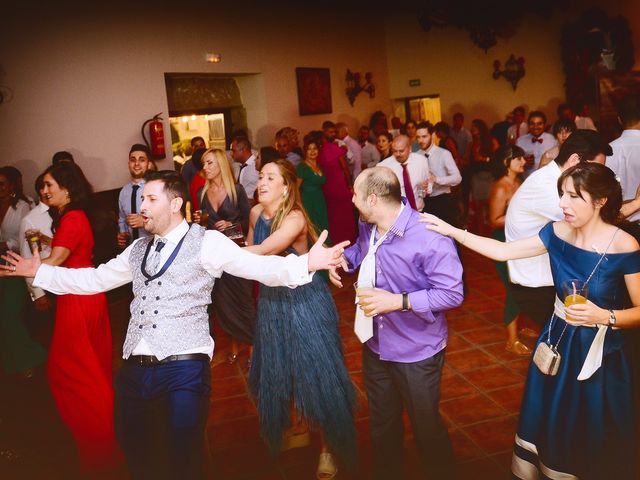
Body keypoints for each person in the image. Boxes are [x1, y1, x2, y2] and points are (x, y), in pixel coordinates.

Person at [1, 170, 348, 480]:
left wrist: (306, 263)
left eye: (152, 199)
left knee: (183, 456)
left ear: (176, 203)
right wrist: (40, 272)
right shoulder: (137, 249)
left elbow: (259, 268)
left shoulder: (206, 241)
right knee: (138, 453)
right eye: (142, 199)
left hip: (184, 368)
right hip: (135, 371)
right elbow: (94, 279)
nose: (144, 206)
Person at [422, 162, 640, 480]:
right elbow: (503, 251)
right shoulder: (555, 231)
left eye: (574, 196)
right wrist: (454, 232)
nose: (563, 203)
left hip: (600, 354)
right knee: (551, 417)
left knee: (590, 426)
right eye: (561, 194)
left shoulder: (624, 245)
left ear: (600, 201)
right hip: (556, 340)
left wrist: (603, 316)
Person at [331, 166, 463, 480]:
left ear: (373, 199)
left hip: (417, 350)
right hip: (376, 343)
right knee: (382, 425)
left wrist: (399, 301)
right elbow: (365, 251)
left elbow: (452, 293)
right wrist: (343, 259)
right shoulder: (370, 224)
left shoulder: (430, 237)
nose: (352, 200)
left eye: (355, 195)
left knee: (426, 429)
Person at [246, 160, 356, 479]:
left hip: (303, 303)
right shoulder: (255, 214)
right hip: (271, 304)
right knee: (281, 372)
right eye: (261, 176)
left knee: (316, 376)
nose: (262, 181)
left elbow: (266, 249)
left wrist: (213, 251)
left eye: (271, 177)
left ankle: (328, 448)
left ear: (286, 186)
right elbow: (254, 261)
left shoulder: (293, 216)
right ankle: (300, 428)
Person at [41, 163, 121, 472]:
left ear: (68, 188)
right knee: (90, 364)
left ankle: (98, 433)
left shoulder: (72, 218)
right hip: (84, 294)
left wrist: (20, 268)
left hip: (77, 296)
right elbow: (68, 252)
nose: (44, 191)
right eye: (42, 186)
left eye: (49, 185)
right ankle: (103, 427)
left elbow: (56, 261)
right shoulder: (73, 217)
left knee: (70, 368)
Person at [505, 130, 612, 328]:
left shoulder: (556, 180)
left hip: (549, 277)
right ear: (574, 160)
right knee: (566, 342)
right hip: (536, 285)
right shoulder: (547, 186)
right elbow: (594, 223)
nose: (599, 177)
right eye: (596, 169)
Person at [194, 148, 253, 364]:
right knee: (223, 304)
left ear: (220, 165)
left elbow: (249, 221)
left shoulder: (236, 190)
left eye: (210, 163)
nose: (205, 168)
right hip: (215, 256)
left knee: (242, 300)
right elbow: (202, 226)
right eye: (204, 164)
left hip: (236, 252)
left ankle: (252, 347)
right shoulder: (202, 193)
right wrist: (198, 220)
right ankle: (235, 346)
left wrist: (232, 224)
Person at [0, 166, 46, 377]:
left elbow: (26, 241)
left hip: (16, 266)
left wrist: (5, 245)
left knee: (7, 314)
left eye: (2, 183)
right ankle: (10, 363)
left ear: (12, 185)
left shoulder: (24, 207)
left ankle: (33, 356)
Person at [487, 145, 530, 355]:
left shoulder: (518, 182)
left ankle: (519, 326)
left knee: (524, 283)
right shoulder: (500, 187)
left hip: (518, 241)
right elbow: (493, 220)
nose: (523, 161)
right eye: (518, 158)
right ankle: (511, 340)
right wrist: (520, 216)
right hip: (503, 243)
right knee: (514, 287)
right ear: (506, 163)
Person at [416, 122, 462, 226]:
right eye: (418, 137)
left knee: (448, 236)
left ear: (432, 135)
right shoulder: (416, 156)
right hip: (425, 202)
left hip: (443, 200)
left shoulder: (444, 154)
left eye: (424, 136)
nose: (420, 140)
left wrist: (437, 179)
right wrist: (419, 185)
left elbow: (457, 178)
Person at [318, 122, 356, 244]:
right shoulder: (327, 148)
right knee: (339, 218)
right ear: (324, 131)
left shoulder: (329, 148)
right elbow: (344, 168)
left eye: (334, 132)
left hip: (334, 188)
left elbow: (344, 168)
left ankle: (342, 242)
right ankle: (344, 242)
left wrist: (349, 186)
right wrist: (349, 185)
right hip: (333, 188)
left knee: (340, 218)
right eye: (330, 132)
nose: (333, 134)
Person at [379, 135, 430, 212]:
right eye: (395, 151)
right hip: (397, 214)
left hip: (420, 211)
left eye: (401, 151)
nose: (398, 154)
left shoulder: (421, 161)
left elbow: (427, 188)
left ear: (410, 149)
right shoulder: (383, 166)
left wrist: (425, 189)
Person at [296, 132, 331, 243]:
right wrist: (300, 205)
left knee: (322, 226)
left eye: (315, 148)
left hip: (320, 200)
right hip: (308, 201)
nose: (312, 151)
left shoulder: (319, 166)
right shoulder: (302, 167)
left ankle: (325, 250)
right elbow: (296, 188)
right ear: (305, 151)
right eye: (309, 149)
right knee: (313, 228)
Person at [117, 144, 153, 248]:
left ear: (149, 164)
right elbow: (122, 219)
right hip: (132, 249)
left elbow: (166, 216)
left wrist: (145, 221)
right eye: (133, 160)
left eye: (142, 160)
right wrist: (122, 234)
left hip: (154, 247)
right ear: (129, 164)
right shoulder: (124, 192)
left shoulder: (154, 188)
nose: (136, 164)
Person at [230, 136, 259, 201]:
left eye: (234, 151)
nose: (231, 154)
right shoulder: (237, 166)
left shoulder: (256, 166)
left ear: (243, 149)